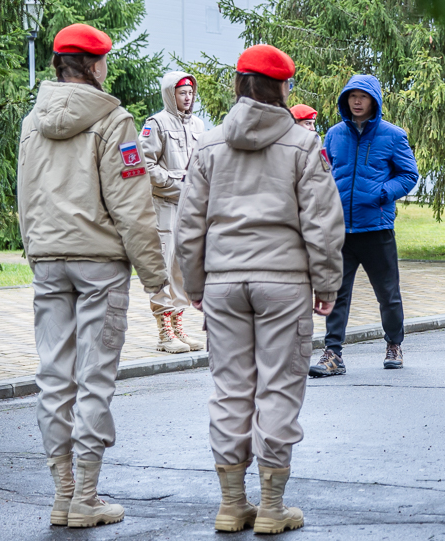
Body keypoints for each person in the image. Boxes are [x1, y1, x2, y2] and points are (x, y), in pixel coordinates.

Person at [174, 44, 345, 534]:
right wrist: (327, 282)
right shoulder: (302, 143)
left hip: (225, 282)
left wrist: (194, 281)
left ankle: (232, 504)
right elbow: (322, 221)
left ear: (238, 85)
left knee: (230, 389)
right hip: (283, 281)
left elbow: (189, 224)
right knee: (278, 387)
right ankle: (271, 507)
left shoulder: (209, 144)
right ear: (282, 88)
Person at [18, 23, 167, 528]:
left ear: (60, 63)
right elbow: (132, 206)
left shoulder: (32, 121)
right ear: (94, 65)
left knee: (53, 376)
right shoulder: (115, 121)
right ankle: (86, 495)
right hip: (99, 264)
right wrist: (156, 279)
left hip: (49, 259)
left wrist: (34, 248)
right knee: (94, 376)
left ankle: (62, 494)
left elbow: (25, 194)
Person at [309, 75, 420, 377]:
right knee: (335, 294)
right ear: (345, 99)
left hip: (377, 229)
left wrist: (382, 193)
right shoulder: (333, 135)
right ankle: (333, 354)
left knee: (388, 294)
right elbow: (323, 174)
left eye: (363, 96)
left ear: (374, 100)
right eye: (352, 96)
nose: (357, 102)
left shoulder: (393, 135)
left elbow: (409, 175)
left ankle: (394, 344)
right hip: (339, 231)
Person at [141, 72, 206, 354]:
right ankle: (163, 331)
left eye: (190, 92)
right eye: (182, 93)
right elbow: (145, 164)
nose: (187, 97)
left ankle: (179, 323)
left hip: (190, 208)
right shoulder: (156, 124)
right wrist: (172, 181)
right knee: (163, 268)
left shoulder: (199, 125)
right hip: (165, 206)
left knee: (183, 269)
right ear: (170, 94)